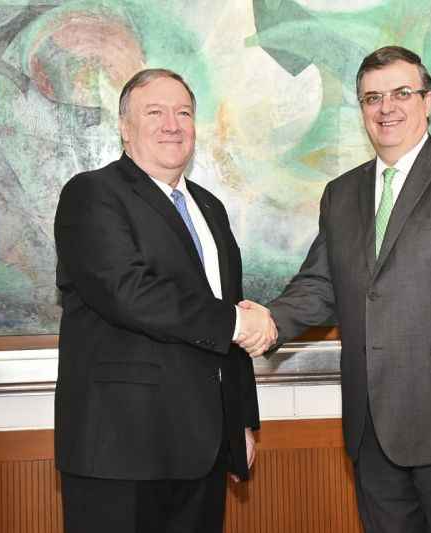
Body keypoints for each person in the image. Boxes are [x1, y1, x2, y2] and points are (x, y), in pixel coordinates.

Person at [240, 46, 431, 532]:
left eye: (401, 93)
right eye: (371, 97)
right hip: (370, 430)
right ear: (361, 109)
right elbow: (319, 284)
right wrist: (265, 322)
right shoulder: (342, 193)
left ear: (428, 100)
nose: (386, 107)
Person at [54, 68, 275, 533]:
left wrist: (241, 422)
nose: (171, 124)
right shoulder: (92, 194)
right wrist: (235, 323)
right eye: (154, 112)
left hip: (203, 448)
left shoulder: (209, 207)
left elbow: (225, 311)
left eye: (183, 112)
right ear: (124, 127)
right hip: (120, 450)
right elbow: (128, 293)